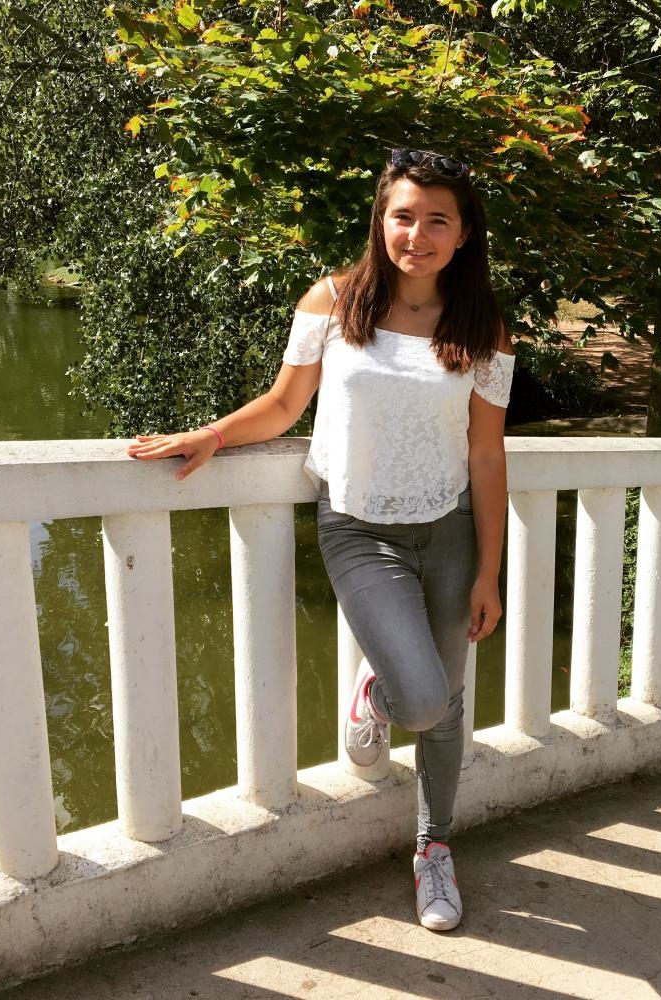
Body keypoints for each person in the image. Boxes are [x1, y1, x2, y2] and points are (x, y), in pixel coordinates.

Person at [128, 147, 514, 932]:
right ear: (381, 219)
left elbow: (485, 453)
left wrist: (489, 573)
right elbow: (284, 406)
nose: (417, 235)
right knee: (421, 698)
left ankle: (433, 848)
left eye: (437, 220)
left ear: (465, 232)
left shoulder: (484, 328)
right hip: (358, 527)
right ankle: (377, 691)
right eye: (403, 216)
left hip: (448, 531)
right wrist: (212, 435)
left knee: (447, 707)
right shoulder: (335, 301)